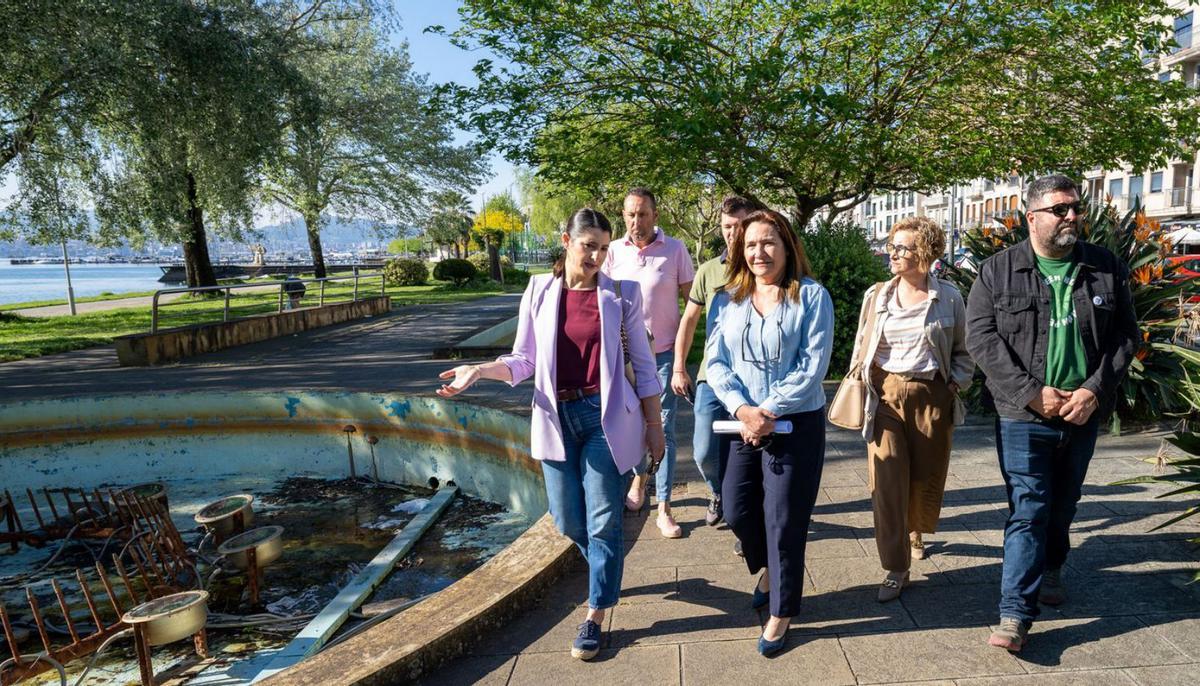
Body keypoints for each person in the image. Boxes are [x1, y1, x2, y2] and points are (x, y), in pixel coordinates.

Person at [437, 208, 666, 661]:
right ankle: (608, 564)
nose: (597, 256)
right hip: (555, 416)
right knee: (567, 521)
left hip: (605, 417)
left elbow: (642, 364)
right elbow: (523, 360)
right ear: (566, 241)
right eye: (588, 246)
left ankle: (597, 612)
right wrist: (479, 370)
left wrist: (655, 427)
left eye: (604, 248)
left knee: (603, 521)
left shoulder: (622, 292)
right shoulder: (540, 290)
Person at [965, 174, 1138, 652]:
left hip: (1082, 412)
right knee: (1029, 508)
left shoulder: (1105, 267)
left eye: (1074, 208)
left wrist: (1093, 392)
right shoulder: (996, 271)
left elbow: (1125, 336)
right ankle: (1015, 615)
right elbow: (981, 339)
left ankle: (1053, 565)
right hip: (1024, 416)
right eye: (1059, 209)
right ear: (1032, 216)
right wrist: (1030, 393)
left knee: (1063, 503)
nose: (1071, 217)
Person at [706, 209, 834, 656]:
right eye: (751, 244)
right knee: (738, 508)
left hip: (796, 422)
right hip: (741, 421)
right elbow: (716, 361)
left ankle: (781, 612)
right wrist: (744, 409)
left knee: (784, 520)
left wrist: (768, 409)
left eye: (768, 243)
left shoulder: (812, 297)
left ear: (786, 246)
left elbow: (813, 366)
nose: (759, 252)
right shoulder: (727, 299)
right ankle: (768, 570)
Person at [847, 216, 973, 603]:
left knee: (922, 479)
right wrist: (860, 379)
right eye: (892, 246)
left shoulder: (948, 297)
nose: (893, 253)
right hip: (884, 395)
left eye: (901, 247)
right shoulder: (878, 294)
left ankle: (914, 531)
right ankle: (895, 566)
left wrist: (955, 384)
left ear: (925, 252)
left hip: (931, 395)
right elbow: (861, 344)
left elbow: (964, 352)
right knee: (886, 482)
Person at [603, 188, 695, 538]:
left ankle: (665, 508)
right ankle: (639, 481)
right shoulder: (612, 252)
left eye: (642, 214)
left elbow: (693, 304)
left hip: (664, 356)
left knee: (664, 430)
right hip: (624, 359)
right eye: (629, 215)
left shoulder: (675, 250)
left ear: (656, 216)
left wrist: (681, 361)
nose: (635, 222)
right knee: (631, 427)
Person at [672, 195, 758, 528]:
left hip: (753, 376)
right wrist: (680, 367)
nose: (733, 233)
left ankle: (746, 511)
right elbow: (689, 320)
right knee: (704, 450)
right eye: (727, 227)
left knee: (749, 447)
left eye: (740, 226)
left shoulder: (763, 265)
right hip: (713, 375)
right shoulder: (708, 271)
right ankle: (718, 492)